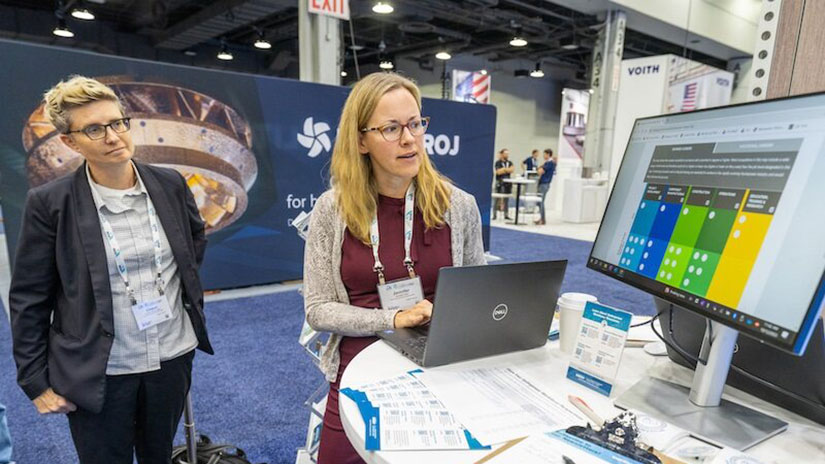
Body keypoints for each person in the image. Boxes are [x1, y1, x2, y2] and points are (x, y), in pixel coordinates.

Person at [9, 75, 213, 464]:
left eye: (118, 122)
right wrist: (34, 380)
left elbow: (193, 242)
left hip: (171, 356)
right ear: (70, 142)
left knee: (158, 455)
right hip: (100, 366)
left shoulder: (170, 184)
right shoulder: (50, 203)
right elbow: (29, 296)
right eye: (94, 129)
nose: (114, 136)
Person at [303, 72, 486, 464]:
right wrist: (393, 318)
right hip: (359, 363)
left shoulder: (459, 206)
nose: (409, 139)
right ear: (360, 141)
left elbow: (478, 293)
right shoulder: (331, 210)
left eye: (415, 123)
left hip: (439, 359)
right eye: (391, 128)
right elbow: (318, 309)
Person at [535, 148, 558, 225]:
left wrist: (540, 168)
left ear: (548, 154)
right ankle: (542, 218)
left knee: (541, 202)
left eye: (544, 154)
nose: (543, 156)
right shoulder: (547, 163)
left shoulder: (550, 163)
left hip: (544, 184)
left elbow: (539, 171)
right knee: (539, 202)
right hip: (543, 183)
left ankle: (543, 219)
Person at [494, 148, 514, 220]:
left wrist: (504, 170)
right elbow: (498, 172)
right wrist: (506, 170)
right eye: (505, 153)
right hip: (500, 183)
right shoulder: (498, 163)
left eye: (508, 154)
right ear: (502, 154)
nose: (507, 155)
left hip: (507, 184)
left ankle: (506, 214)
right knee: (497, 199)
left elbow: (512, 170)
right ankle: (494, 215)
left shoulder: (510, 162)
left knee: (506, 200)